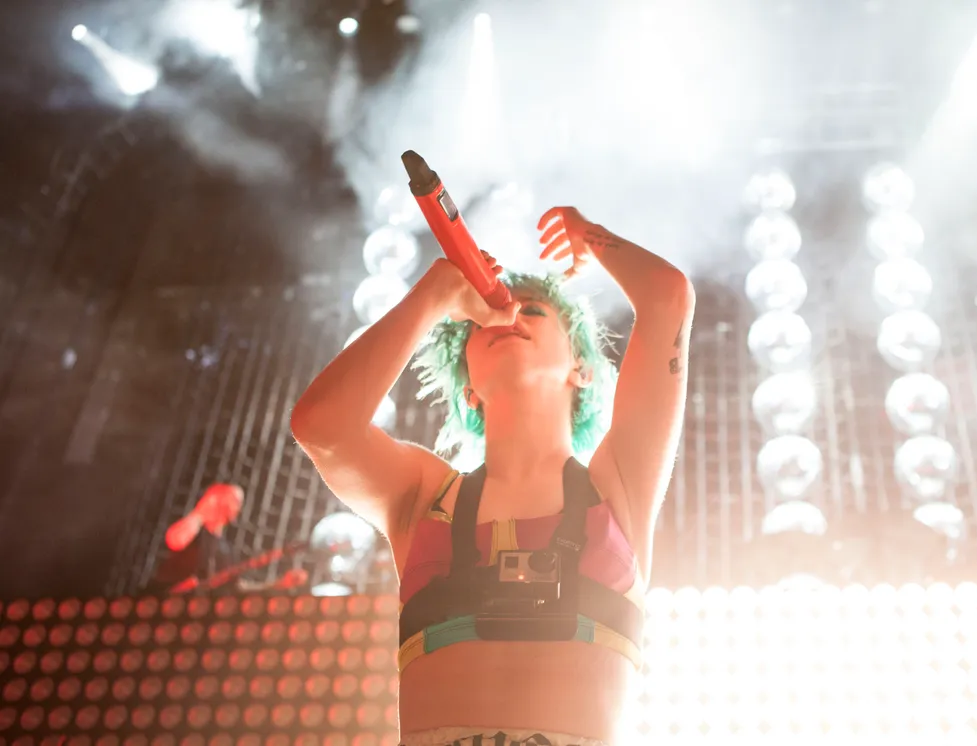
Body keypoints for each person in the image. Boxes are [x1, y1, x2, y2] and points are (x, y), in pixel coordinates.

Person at [291, 206, 693, 746]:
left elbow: (668, 299)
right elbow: (322, 428)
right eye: (483, 319)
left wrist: (590, 237)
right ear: (469, 390)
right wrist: (432, 297)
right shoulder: (423, 497)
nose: (508, 317)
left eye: (534, 311)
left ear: (583, 369)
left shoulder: (617, 487)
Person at [149, 483, 307, 594]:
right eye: (234, 499)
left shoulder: (226, 549)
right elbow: (175, 540)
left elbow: (236, 588)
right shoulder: (196, 530)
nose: (237, 506)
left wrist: (278, 584)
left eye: (238, 502)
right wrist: (202, 510)